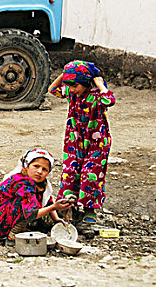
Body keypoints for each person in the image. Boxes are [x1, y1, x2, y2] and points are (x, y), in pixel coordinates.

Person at [49, 60, 116, 224]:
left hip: (97, 143)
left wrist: (99, 84)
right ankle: (68, 206)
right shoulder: (71, 93)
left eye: (75, 85)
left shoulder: (97, 96)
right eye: (69, 85)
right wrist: (65, 75)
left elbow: (110, 100)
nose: (71, 89)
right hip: (74, 140)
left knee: (89, 174)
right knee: (70, 172)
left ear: (86, 82)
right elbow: (52, 89)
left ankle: (89, 210)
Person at [0, 148, 72, 246]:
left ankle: (25, 229)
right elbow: (31, 213)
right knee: (27, 207)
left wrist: (56, 219)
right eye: (36, 166)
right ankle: (12, 236)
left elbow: (48, 199)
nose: (39, 171)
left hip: (7, 218)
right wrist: (54, 207)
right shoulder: (22, 183)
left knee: (36, 206)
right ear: (26, 166)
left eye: (44, 169)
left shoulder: (42, 183)